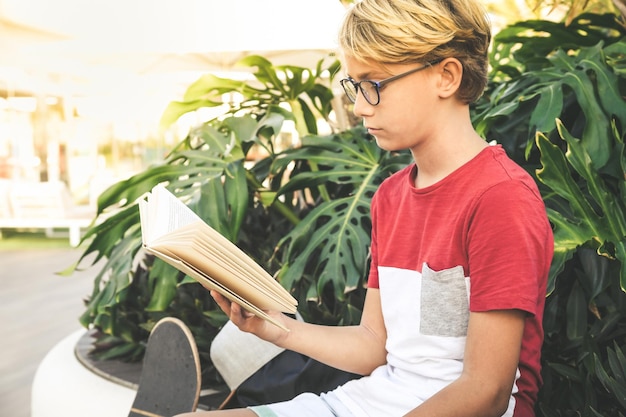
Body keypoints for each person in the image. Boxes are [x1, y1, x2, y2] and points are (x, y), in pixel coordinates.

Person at [177, 0, 554, 416]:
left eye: (374, 83)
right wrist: (275, 329)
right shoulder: (390, 198)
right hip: (370, 402)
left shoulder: (500, 198)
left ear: (446, 76)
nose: (359, 106)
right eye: (355, 86)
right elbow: (375, 344)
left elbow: (486, 391)